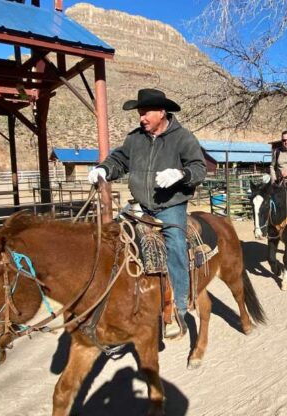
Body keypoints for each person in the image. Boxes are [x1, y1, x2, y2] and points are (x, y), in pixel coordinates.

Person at [88, 88, 206, 340]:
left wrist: (181, 175)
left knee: (174, 242)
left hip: (170, 205)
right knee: (111, 238)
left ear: (162, 112)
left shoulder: (182, 138)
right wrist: (103, 169)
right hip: (140, 205)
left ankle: (179, 307)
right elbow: (119, 160)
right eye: (140, 113)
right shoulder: (135, 139)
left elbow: (198, 166)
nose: (141, 118)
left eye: (145, 113)